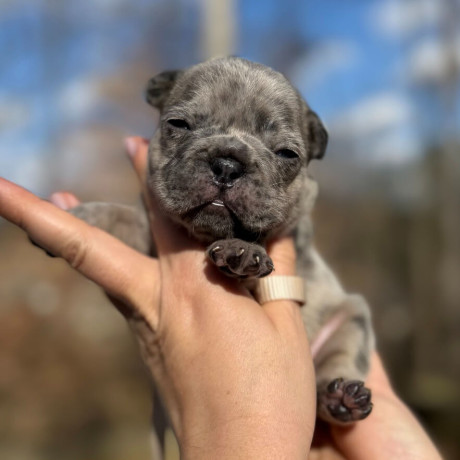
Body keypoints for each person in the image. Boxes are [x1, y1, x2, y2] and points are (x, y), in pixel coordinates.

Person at [0, 137, 443, 460]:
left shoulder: (290, 219)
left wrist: (242, 438)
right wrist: (89, 219)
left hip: (324, 336)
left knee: (346, 327)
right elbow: (138, 228)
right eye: (182, 125)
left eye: (284, 152)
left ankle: (334, 386)